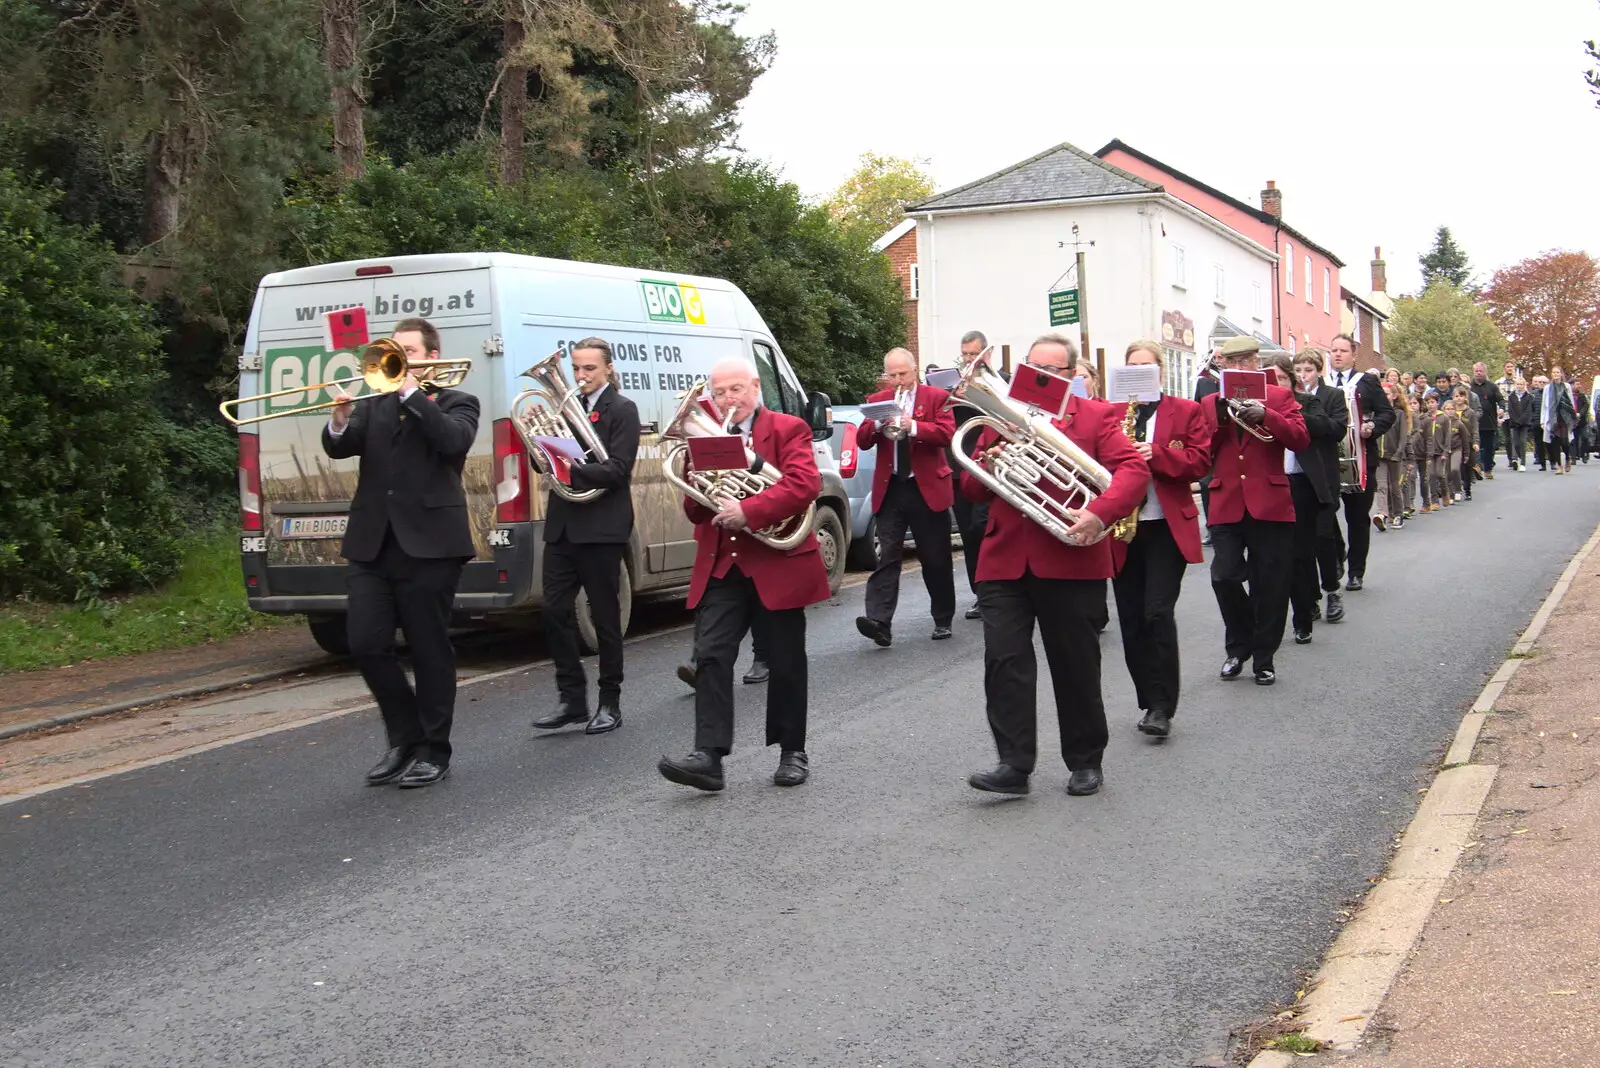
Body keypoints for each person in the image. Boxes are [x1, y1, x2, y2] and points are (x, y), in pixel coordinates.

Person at [962, 334, 1149, 797]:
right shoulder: (999, 415)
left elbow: (1133, 472)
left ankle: (1085, 760)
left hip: (1070, 555)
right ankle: (1013, 764)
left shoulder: (1096, 416)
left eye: (1051, 371)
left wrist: (1099, 512)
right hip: (1004, 559)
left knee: (1075, 664)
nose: (1040, 377)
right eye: (1033, 368)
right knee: (1004, 660)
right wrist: (988, 458)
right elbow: (972, 490)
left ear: (1069, 376)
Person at [658, 358, 831, 792]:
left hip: (777, 559)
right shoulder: (707, 435)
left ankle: (792, 751)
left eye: (736, 389)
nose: (728, 399)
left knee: (786, 659)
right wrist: (695, 478)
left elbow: (803, 484)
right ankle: (708, 757)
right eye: (720, 393)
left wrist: (749, 510)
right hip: (724, 563)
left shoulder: (788, 428)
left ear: (755, 387)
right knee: (711, 654)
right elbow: (696, 507)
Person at [323, 317, 480, 789]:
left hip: (430, 545)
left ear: (431, 357)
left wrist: (412, 394)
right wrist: (340, 417)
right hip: (373, 542)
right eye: (396, 351)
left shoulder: (458, 402)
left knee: (430, 648)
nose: (401, 358)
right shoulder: (375, 403)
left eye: (410, 350)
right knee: (366, 643)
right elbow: (341, 447)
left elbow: (452, 441)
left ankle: (435, 749)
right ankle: (404, 738)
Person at [530, 339, 640, 736]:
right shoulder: (565, 408)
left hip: (602, 526)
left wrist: (572, 470)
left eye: (589, 369)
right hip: (563, 523)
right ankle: (571, 700)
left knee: (605, 617)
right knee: (554, 612)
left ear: (608, 369)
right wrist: (542, 440)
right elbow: (540, 460)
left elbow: (618, 470)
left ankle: (610, 701)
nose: (580, 377)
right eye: (576, 368)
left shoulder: (623, 410)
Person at [1108, 341, 1210, 739]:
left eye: (1146, 366)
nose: (1139, 371)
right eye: (1132, 365)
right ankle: (1148, 700)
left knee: (1157, 612)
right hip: (1122, 528)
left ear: (1161, 372)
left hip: (1166, 525)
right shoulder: (1111, 413)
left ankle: (1163, 706)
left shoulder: (1185, 411)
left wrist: (1156, 453)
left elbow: (1201, 462)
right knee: (1131, 620)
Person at [1202, 335, 1310, 686]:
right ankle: (1239, 645)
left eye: (1247, 361)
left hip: (1270, 502)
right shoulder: (1209, 400)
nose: (1241, 368)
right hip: (1227, 500)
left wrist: (1268, 415)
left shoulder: (1279, 396)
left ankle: (1264, 658)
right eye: (1233, 363)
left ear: (1256, 363)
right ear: (1223, 366)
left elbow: (1300, 438)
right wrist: (1219, 418)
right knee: (1224, 576)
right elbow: (1203, 451)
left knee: (1272, 584)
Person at [854, 348, 958, 646]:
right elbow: (862, 441)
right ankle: (879, 622)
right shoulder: (878, 401)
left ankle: (942, 617)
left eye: (903, 374)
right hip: (892, 488)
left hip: (926, 486)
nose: (898, 381)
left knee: (935, 557)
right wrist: (875, 424)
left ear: (915, 370)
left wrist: (912, 426)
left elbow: (946, 434)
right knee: (888, 555)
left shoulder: (936, 397)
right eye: (893, 375)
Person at [1275, 352, 1344, 646]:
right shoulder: (1254, 405)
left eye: (1280, 378)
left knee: (1317, 541)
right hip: (1275, 483)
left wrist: (1287, 414)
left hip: (1307, 482)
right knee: (1289, 555)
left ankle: (1329, 591)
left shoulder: (1309, 401)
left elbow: (1331, 428)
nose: (1275, 384)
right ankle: (1305, 603)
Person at [1324, 334, 1395, 593]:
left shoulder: (1367, 382)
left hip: (1361, 460)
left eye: (1343, 350)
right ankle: (1337, 551)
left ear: (1353, 354)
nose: (1338, 355)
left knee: (1357, 518)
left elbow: (1388, 413)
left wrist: (1372, 427)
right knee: (1325, 514)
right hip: (1328, 461)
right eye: (1333, 350)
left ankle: (1356, 571)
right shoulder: (1322, 384)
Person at [950, 331, 994, 620]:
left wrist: (978, 393)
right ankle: (979, 594)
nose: (968, 359)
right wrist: (952, 395)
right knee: (968, 531)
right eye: (964, 354)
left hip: (991, 466)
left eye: (972, 354)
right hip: (960, 465)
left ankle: (996, 588)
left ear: (986, 355)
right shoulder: (954, 382)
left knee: (985, 527)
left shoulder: (1000, 379)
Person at [1373, 381, 1409, 529]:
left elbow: (1403, 436)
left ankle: (1398, 513)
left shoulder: (1399, 414)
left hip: (1394, 455)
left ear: (1394, 396)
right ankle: (1382, 513)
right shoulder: (1376, 413)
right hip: (1379, 456)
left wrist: (1399, 452)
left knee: (1394, 486)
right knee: (1381, 485)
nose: (1383, 396)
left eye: (1387, 393)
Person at [1469, 362, 1503, 480]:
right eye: (1476, 371)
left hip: (1489, 422)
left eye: (1480, 371)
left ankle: (1488, 468)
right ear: (1473, 372)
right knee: (1476, 445)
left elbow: (1500, 400)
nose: (1478, 373)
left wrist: (1502, 409)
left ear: (1485, 372)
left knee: (1489, 447)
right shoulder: (1469, 387)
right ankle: (1477, 466)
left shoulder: (1492, 387)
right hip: (1474, 423)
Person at [1542, 367, 1578, 475]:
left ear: (1561, 374)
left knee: (1564, 441)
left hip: (1564, 417)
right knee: (1555, 441)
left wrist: (1573, 415)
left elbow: (1570, 401)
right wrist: (1542, 421)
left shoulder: (1566, 386)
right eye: (1553, 372)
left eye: (1557, 372)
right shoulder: (1547, 388)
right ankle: (1559, 466)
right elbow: (1544, 405)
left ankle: (1567, 458)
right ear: (1551, 374)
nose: (1556, 374)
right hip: (1553, 417)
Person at [1504, 377, 1533, 471]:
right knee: (1515, 443)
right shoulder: (1511, 396)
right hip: (1514, 423)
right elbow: (1510, 410)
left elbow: (1528, 410)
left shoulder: (1529, 397)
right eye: (1518, 384)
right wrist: (1515, 420)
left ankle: (1523, 463)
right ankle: (1519, 457)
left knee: (1522, 441)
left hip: (1524, 423)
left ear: (1524, 385)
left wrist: (1521, 420)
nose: (1519, 386)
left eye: (1521, 384)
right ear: (1515, 385)